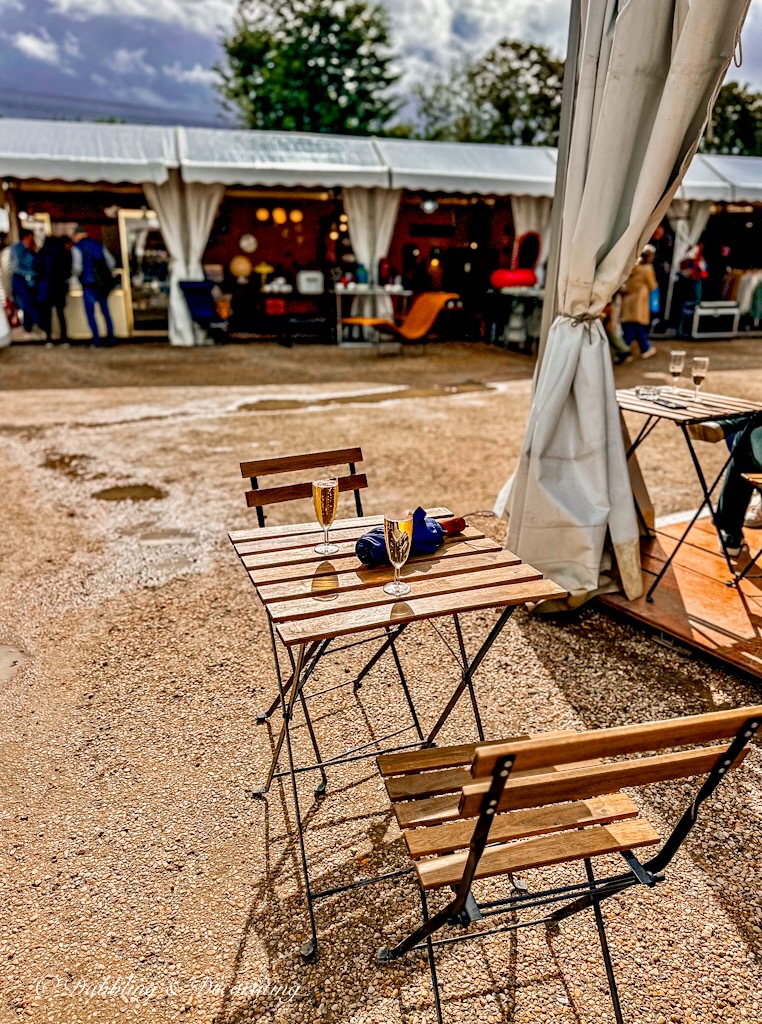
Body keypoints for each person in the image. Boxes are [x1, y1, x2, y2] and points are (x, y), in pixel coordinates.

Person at [71, 225, 116, 347]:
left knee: (91, 314)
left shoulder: (77, 248)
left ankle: (96, 339)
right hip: (102, 284)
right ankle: (111, 338)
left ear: (77, 235)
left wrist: (73, 279)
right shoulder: (98, 245)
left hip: (88, 284)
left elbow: (77, 267)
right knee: (105, 312)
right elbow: (111, 262)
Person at [620, 246, 658, 359]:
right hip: (639, 301)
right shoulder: (647, 269)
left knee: (631, 325)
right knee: (636, 325)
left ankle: (641, 348)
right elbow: (652, 285)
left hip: (628, 299)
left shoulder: (632, 267)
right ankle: (626, 350)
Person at [37, 234, 72, 344]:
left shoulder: (43, 252)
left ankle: (49, 338)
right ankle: (64, 338)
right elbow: (68, 270)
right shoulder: (64, 252)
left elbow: (36, 267)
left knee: (48, 314)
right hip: (60, 287)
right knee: (60, 313)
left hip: (47, 287)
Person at [10, 228, 41, 334]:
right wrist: (30, 273)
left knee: (29, 302)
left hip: (30, 281)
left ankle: (29, 327)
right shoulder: (17, 248)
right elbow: (15, 266)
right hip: (20, 279)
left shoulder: (31, 248)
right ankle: (38, 324)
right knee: (26, 302)